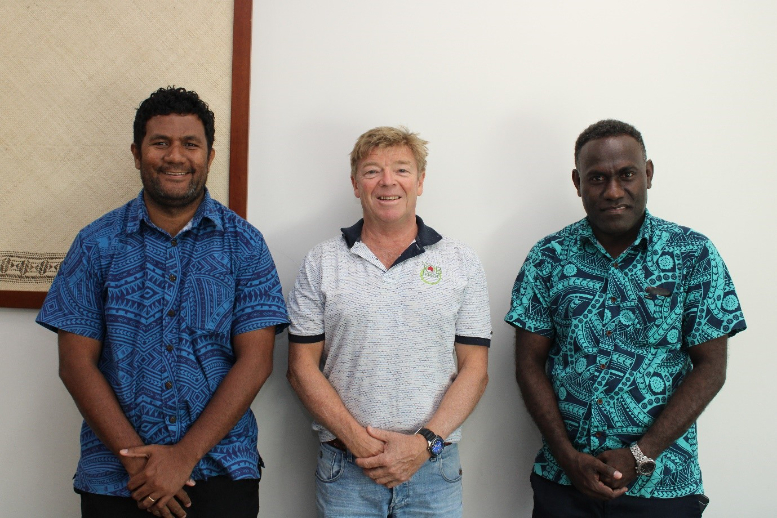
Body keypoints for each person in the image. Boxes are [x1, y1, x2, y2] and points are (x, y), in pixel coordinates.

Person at [36, 86, 289, 518]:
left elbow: (256, 362)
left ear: (209, 156)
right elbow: (75, 363)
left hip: (221, 470)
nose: (175, 156)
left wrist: (183, 457)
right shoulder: (95, 243)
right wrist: (141, 465)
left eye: (190, 144)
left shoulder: (245, 245)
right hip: (116, 477)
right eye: (160, 143)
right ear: (137, 153)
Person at [505, 119, 746, 517]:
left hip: (663, 485)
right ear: (577, 182)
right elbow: (529, 362)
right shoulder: (547, 258)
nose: (613, 191)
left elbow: (711, 367)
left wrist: (640, 455)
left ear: (648, 174)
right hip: (564, 482)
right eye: (596, 178)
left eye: (627, 174)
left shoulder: (693, 255)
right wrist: (567, 456)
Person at [286, 126, 491, 517]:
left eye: (401, 169)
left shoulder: (461, 262)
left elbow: (475, 370)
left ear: (420, 181)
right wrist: (359, 444)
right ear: (355, 183)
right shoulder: (321, 261)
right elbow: (299, 369)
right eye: (372, 171)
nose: (387, 182)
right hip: (347, 470)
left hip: (434, 468)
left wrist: (422, 444)